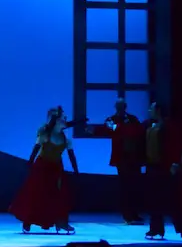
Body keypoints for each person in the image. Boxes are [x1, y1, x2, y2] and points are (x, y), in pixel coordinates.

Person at [9, 106, 78, 234]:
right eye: (63, 118)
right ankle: (28, 219)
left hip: (56, 168)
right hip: (42, 167)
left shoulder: (65, 138)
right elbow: (36, 149)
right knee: (36, 194)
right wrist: (30, 162)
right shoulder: (45, 135)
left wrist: (76, 170)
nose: (65, 120)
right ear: (56, 120)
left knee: (58, 196)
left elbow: (71, 155)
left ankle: (61, 222)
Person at [93, 98, 145, 224]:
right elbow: (111, 130)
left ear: (125, 106)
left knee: (135, 186)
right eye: (118, 105)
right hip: (121, 158)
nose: (120, 108)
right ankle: (127, 215)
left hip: (134, 157)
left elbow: (138, 131)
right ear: (115, 107)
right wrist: (123, 128)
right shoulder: (111, 119)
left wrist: (122, 128)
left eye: (122, 105)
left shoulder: (132, 119)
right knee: (125, 186)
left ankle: (135, 213)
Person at [143, 101, 182, 240]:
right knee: (154, 199)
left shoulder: (168, 126)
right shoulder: (152, 125)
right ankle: (156, 229)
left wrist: (174, 163)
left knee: (171, 199)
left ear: (158, 110)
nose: (149, 110)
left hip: (165, 166)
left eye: (151, 108)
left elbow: (174, 145)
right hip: (153, 166)